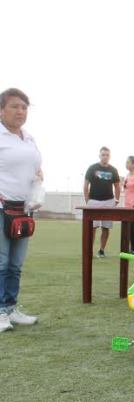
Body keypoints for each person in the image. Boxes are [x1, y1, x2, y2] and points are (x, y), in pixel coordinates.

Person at [0, 88, 42, 332]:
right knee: (1, 263)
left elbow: (34, 167)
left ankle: (10, 308)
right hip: (2, 208)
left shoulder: (28, 138)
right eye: (14, 106)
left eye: (24, 107)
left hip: (24, 209)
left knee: (15, 265)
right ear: (1, 110)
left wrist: (38, 177)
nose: (20, 111)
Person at [84, 146, 120, 258]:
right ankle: (89, 250)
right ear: (99, 156)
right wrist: (87, 200)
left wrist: (116, 200)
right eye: (103, 155)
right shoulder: (92, 168)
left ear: (110, 156)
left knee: (106, 227)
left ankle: (101, 250)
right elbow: (86, 185)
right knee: (93, 227)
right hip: (94, 201)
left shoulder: (113, 170)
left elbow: (117, 186)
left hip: (108, 201)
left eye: (107, 155)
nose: (105, 157)